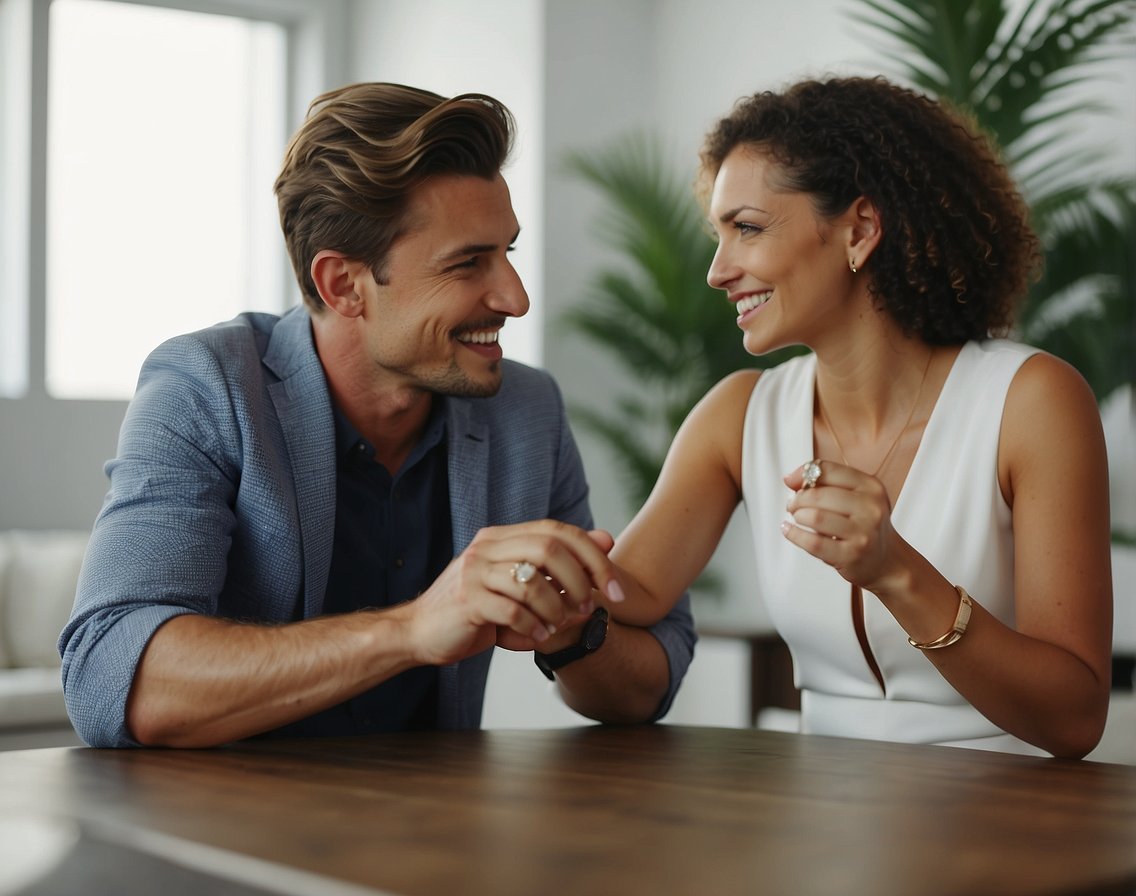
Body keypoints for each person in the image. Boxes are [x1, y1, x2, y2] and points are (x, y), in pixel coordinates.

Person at [59, 82, 695, 749]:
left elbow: (647, 685)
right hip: (225, 833)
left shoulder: (525, 412)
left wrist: (572, 631)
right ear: (343, 285)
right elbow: (113, 676)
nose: (515, 297)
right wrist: (413, 629)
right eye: (468, 263)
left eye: (507, 251)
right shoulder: (207, 386)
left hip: (430, 835)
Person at [602, 76, 1112, 758]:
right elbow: (624, 593)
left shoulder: (1031, 401)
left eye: (747, 229)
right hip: (821, 830)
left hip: (1012, 830)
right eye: (718, 235)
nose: (718, 271)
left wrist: (897, 570)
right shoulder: (739, 414)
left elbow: (1075, 719)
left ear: (860, 230)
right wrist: (549, 580)